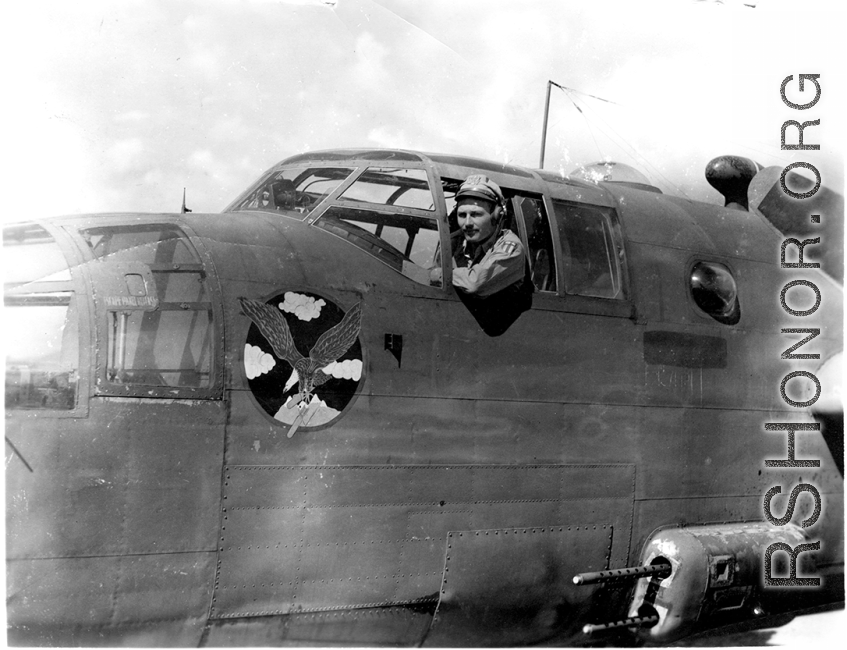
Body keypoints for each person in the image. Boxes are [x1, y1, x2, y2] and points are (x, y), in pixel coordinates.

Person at [448, 174, 533, 335]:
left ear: (497, 215)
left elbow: (474, 283)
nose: (467, 224)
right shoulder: (455, 242)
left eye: (476, 215)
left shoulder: (511, 249)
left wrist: (443, 273)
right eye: (462, 215)